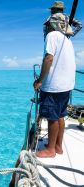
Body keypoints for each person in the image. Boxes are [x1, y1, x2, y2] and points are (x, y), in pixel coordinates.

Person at [34, 13, 76, 158]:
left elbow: (48, 58)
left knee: (52, 117)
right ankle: (58, 146)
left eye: (47, 25)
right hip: (67, 85)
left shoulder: (52, 36)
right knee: (60, 116)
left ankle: (50, 150)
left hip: (54, 85)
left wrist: (39, 80)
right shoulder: (67, 39)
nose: (46, 29)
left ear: (52, 24)